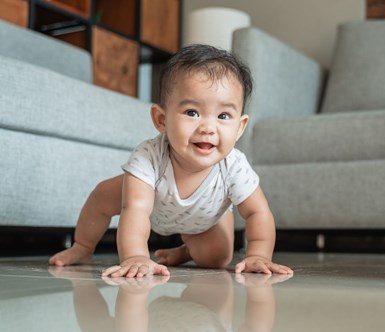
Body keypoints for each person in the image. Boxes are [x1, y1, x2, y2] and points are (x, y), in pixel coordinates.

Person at [49, 44, 293, 277]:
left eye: (223, 115)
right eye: (192, 113)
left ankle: (185, 251)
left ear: (240, 128)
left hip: (205, 218)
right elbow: (135, 208)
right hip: (152, 206)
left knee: (217, 258)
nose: (208, 127)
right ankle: (82, 247)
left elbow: (258, 212)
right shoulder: (150, 156)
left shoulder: (234, 166)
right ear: (161, 120)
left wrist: (258, 255)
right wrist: (135, 256)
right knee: (103, 195)